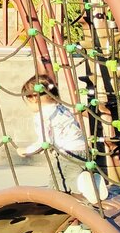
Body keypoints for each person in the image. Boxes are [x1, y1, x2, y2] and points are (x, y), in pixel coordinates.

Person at [16, 74, 107, 202]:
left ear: (34, 98)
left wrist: (25, 151)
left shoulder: (42, 115)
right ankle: (94, 183)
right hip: (84, 150)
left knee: (58, 183)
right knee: (73, 175)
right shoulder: (62, 108)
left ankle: (82, 186)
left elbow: (44, 142)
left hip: (67, 154)